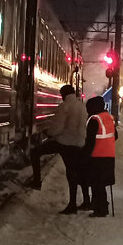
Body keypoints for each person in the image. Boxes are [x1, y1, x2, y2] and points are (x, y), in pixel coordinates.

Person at [29, 84, 91, 213]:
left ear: (64, 94)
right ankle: (82, 201)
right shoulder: (82, 106)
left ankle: (36, 181)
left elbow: (57, 128)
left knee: (35, 152)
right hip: (78, 143)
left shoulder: (64, 106)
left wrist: (49, 133)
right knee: (75, 172)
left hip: (64, 143)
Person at [81, 95, 117, 217]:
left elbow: (90, 142)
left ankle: (100, 210)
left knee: (96, 184)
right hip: (109, 155)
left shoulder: (94, 120)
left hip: (97, 156)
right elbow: (115, 136)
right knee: (101, 184)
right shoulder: (109, 118)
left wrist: (84, 156)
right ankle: (102, 206)